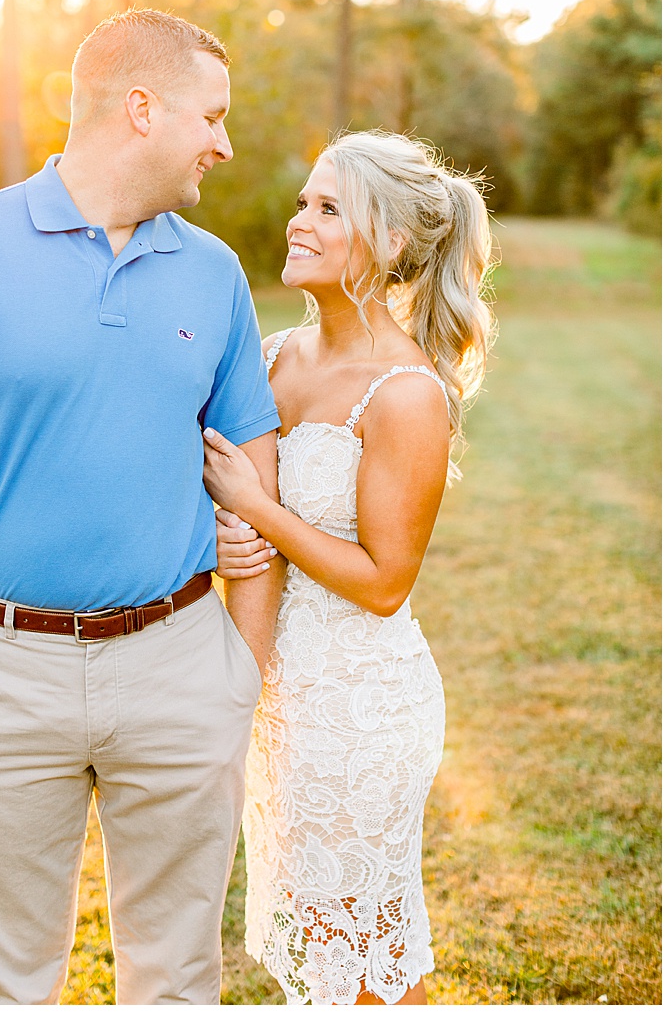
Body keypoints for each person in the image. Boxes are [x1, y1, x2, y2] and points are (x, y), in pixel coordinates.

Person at [0, 8, 286, 1004]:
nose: (225, 144)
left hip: (182, 666)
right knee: (7, 985)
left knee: (178, 976)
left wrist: (242, 666)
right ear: (142, 108)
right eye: (213, 117)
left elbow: (257, 480)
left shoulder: (216, 272)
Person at [202, 130, 493, 1005]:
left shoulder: (405, 394)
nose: (300, 220)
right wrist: (222, 531)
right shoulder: (274, 356)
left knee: (357, 964)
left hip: (360, 704)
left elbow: (383, 580)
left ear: (391, 243)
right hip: (278, 690)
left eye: (330, 209)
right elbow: (223, 494)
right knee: (314, 956)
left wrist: (258, 511)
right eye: (303, 201)